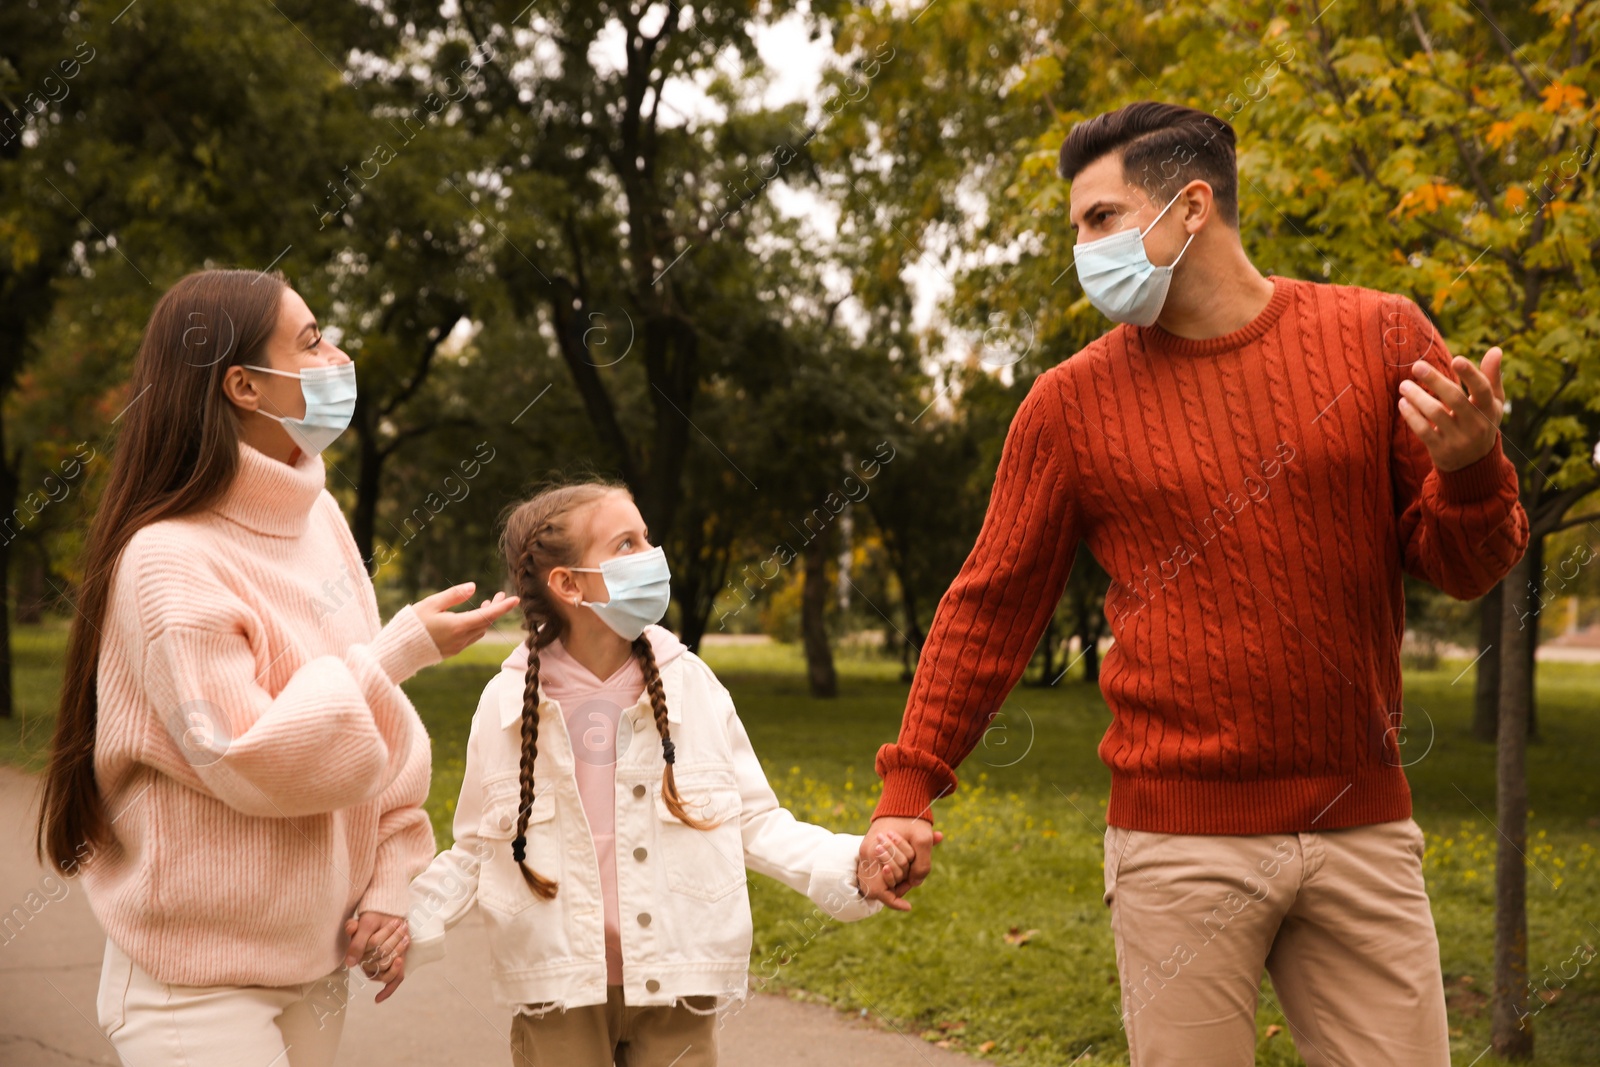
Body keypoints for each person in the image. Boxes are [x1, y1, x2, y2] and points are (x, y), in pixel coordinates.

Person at [856, 101, 1529, 1066]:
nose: (1081, 248)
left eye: (1099, 218)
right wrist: (908, 787)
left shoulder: (1379, 336)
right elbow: (991, 605)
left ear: (1191, 208)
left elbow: (1468, 567)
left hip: (1364, 828)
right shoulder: (1069, 405)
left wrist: (1470, 471)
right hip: (1179, 845)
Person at [34, 269, 519, 1067]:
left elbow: (379, 732)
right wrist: (398, 651)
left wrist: (391, 886)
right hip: (194, 988)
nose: (338, 355)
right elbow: (248, 754)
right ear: (244, 387)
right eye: (312, 340)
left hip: (315, 964)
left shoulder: (316, 516)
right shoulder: (168, 558)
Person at [406, 481, 906, 1066]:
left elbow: (753, 818)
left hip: (676, 980)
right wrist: (405, 921)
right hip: (558, 989)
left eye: (647, 538)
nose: (651, 554)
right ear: (569, 584)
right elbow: (476, 849)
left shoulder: (691, 683)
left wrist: (851, 864)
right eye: (626, 543)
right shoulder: (506, 702)